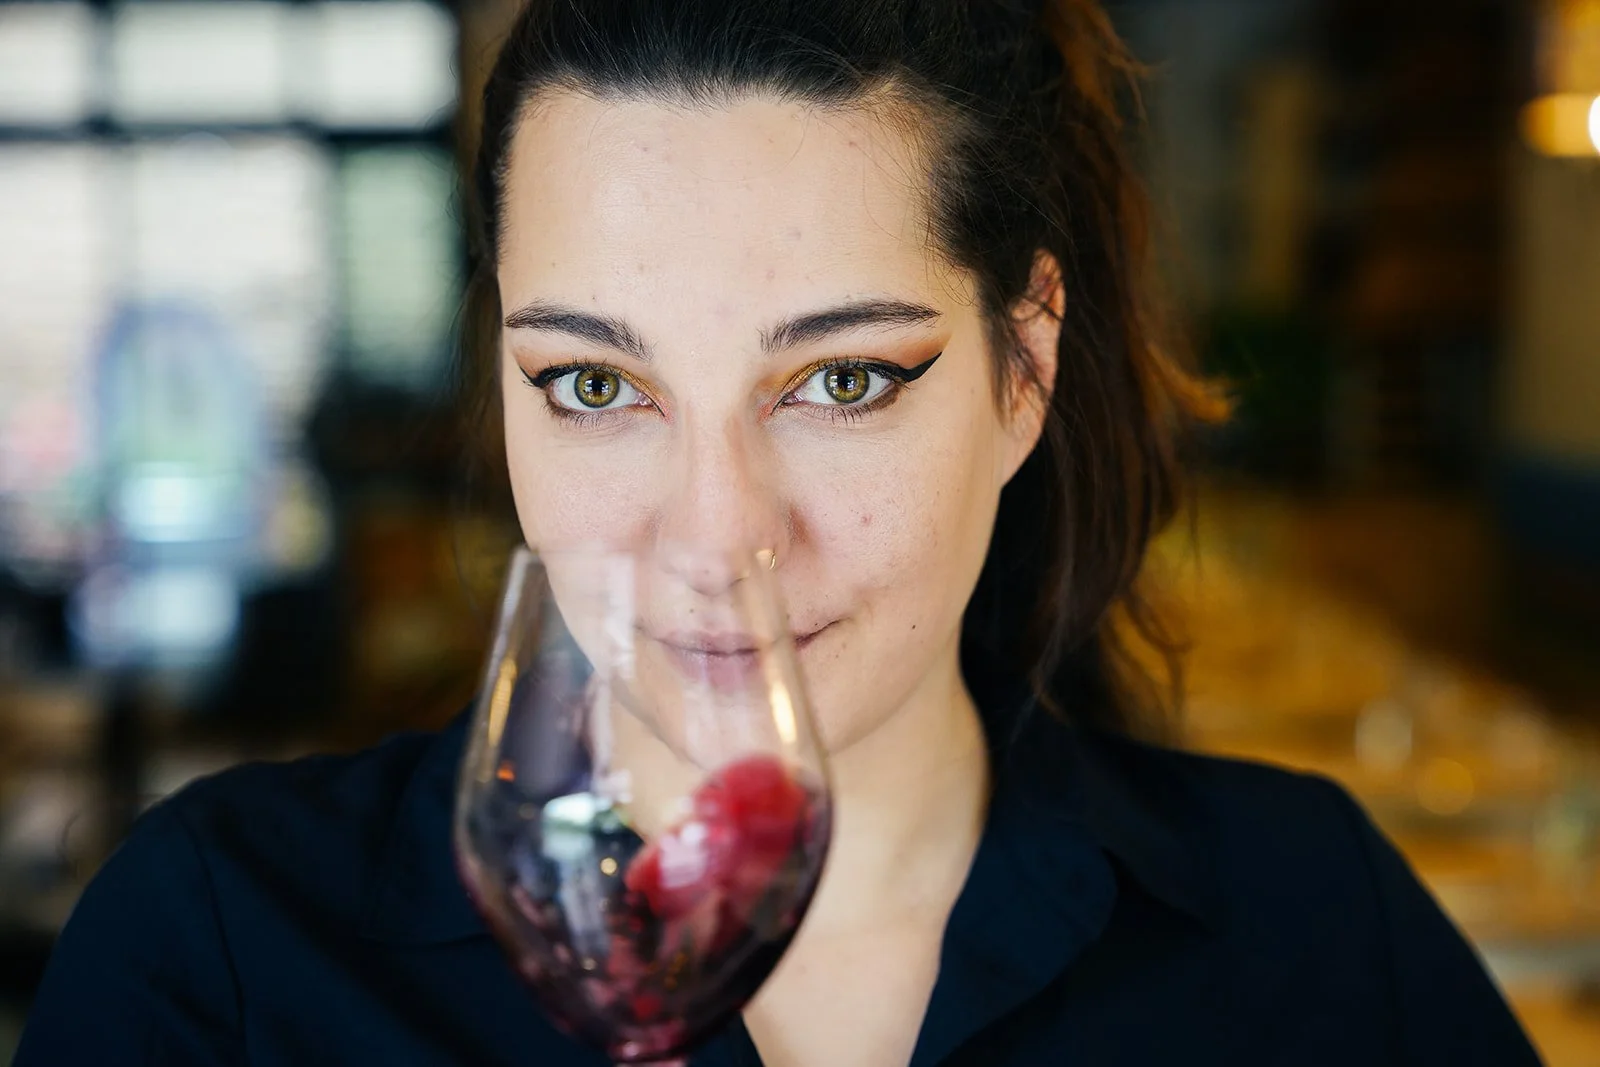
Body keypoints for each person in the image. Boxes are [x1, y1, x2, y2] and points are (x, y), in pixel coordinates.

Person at [18, 0, 1542, 1064]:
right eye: (597, 382)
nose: (714, 533)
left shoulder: (1313, 935)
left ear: (1026, 367)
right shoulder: (221, 958)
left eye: (841, 378)